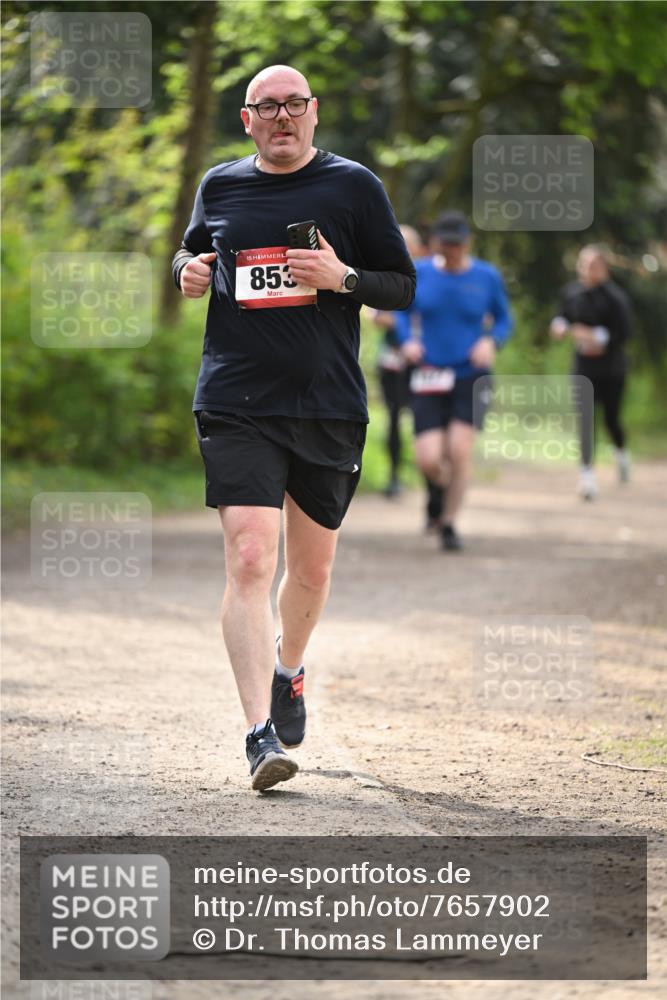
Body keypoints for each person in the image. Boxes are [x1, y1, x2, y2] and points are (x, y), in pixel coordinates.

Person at [172, 65, 415, 791]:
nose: (282, 117)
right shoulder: (219, 185)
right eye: (266, 107)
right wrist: (185, 269)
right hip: (235, 400)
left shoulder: (354, 187)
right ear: (247, 119)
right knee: (250, 558)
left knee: (310, 572)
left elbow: (401, 286)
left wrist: (342, 278)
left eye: (294, 105)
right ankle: (258, 736)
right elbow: (192, 249)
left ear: (314, 113)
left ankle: (289, 669)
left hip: (327, 406)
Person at [395, 210, 512, 551]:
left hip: (470, 374)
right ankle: (438, 489)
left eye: (458, 245)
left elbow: (504, 319)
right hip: (429, 372)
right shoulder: (421, 273)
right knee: (429, 458)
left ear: (467, 244)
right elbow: (402, 312)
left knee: (459, 450)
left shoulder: (486, 276)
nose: (452, 251)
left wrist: (491, 340)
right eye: (446, 245)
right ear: (435, 245)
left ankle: (448, 522)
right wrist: (408, 341)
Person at [550, 245, 632, 500]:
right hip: (583, 368)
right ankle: (587, 477)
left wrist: (595, 336)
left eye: (592, 265)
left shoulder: (615, 298)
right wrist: (560, 327)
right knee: (585, 421)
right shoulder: (572, 292)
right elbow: (561, 317)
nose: (587, 270)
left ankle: (621, 454)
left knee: (610, 419)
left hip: (611, 369)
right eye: (583, 265)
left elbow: (625, 333)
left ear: (603, 268)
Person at [370, 225, 425, 498]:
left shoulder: (430, 275)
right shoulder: (386, 273)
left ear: (419, 249)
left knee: (424, 418)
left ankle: (428, 475)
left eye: (408, 244)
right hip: (392, 358)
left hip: (427, 361)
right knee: (393, 418)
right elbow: (376, 316)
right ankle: (394, 475)